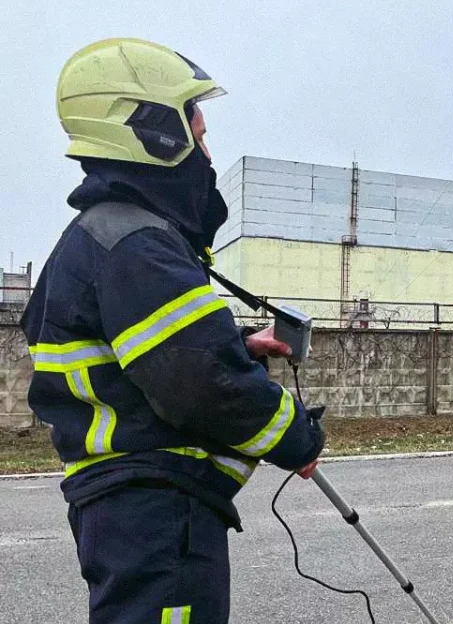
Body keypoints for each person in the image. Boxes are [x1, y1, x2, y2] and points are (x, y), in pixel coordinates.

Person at [20, 38, 325, 624]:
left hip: (132, 508)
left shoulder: (103, 237)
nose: (208, 154)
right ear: (155, 130)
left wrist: (236, 348)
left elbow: (147, 363)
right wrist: (296, 437)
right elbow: (199, 383)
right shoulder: (137, 246)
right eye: (200, 135)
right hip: (155, 507)